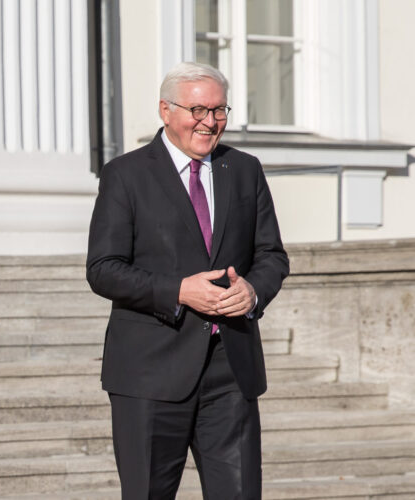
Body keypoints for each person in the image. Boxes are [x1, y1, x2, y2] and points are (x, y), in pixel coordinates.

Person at [86, 62, 289, 499]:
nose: (209, 122)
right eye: (197, 109)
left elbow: (272, 255)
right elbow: (103, 268)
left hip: (231, 369)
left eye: (219, 110)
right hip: (150, 374)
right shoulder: (125, 175)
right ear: (165, 110)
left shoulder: (246, 170)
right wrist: (179, 290)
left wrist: (253, 291)